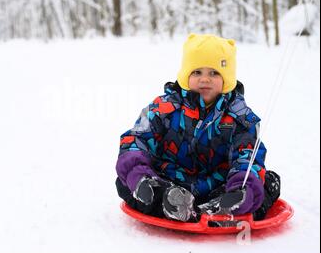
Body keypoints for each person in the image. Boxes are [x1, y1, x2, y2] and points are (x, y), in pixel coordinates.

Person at [115, 33, 280, 222]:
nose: (205, 79)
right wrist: (141, 178)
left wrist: (241, 186)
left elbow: (248, 155)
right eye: (197, 72)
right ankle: (170, 203)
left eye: (214, 73)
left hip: (219, 187)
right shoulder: (164, 108)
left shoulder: (239, 117)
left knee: (265, 182)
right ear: (186, 75)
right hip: (170, 182)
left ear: (228, 79)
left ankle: (224, 207)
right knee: (125, 182)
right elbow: (136, 139)